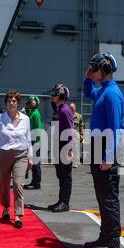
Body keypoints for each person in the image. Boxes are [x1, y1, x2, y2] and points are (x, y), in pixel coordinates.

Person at [83, 52, 124, 248]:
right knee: (102, 196)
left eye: (95, 67)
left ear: (106, 69)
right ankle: (105, 235)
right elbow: (87, 93)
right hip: (98, 145)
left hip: (106, 148)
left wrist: (109, 157)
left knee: (108, 197)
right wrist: (87, 78)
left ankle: (113, 241)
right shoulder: (102, 91)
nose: (92, 70)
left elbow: (116, 128)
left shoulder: (112, 94)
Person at [0, 91, 33, 229]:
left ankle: (18, 214)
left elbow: (28, 139)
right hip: (3, 155)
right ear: (6, 103)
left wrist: (30, 157)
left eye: (14, 101)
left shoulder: (25, 119)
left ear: (18, 103)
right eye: (9, 101)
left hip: (21, 155)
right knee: (4, 184)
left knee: (17, 183)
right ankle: (5, 208)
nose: (12, 103)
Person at [47, 84, 74, 213]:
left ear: (61, 96)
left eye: (55, 94)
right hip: (59, 143)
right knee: (60, 174)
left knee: (65, 175)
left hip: (65, 144)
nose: (52, 96)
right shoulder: (59, 108)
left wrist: (69, 149)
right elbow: (54, 106)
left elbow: (70, 130)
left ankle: (65, 202)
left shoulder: (65, 110)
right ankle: (61, 200)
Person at [24, 96, 43, 190]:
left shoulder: (36, 114)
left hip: (35, 141)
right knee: (33, 163)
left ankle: (37, 183)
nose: (27, 103)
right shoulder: (31, 112)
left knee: (36, 163)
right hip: (31, 141)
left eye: (29, 102)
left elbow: (38, 129)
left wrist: (36, 143)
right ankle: (34, 181)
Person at [69, 103, 85, 168]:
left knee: (76, 148)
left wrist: (82, 135)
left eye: (72, 108)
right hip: (68, 133)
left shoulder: (79, 116)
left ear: (75, 108)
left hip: (76, 133)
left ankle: (75, 163)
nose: (71, 109)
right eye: (70, 108)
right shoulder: (67, 115)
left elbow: (81, 126)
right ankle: (68, 162)